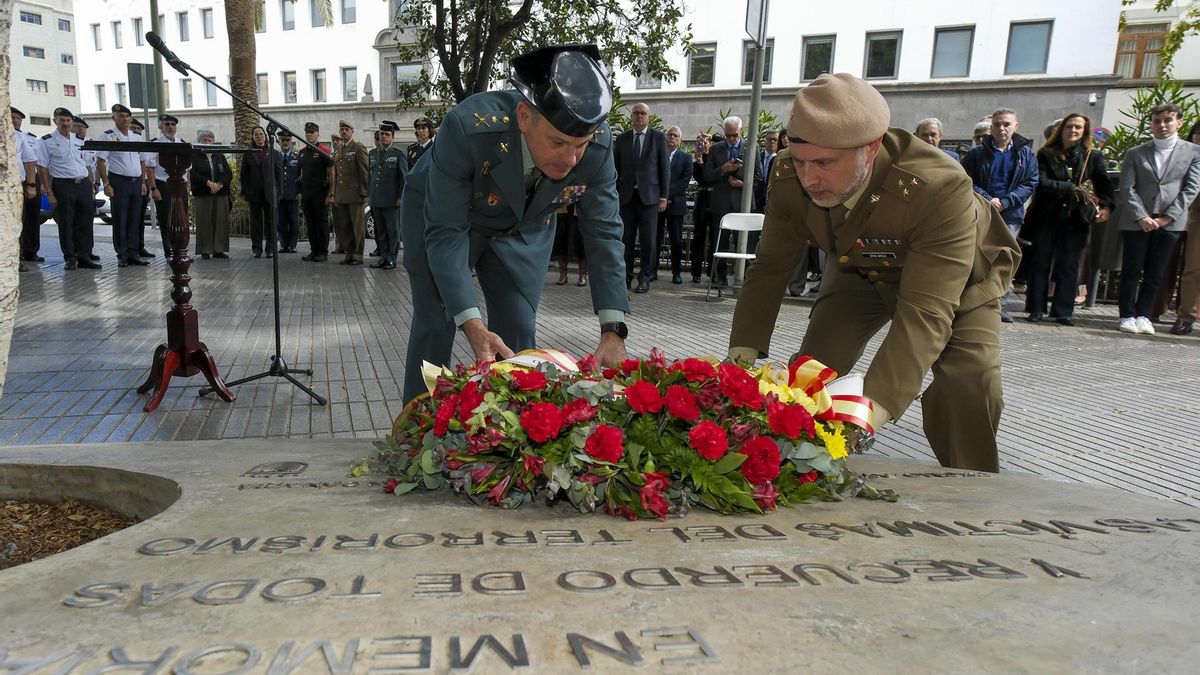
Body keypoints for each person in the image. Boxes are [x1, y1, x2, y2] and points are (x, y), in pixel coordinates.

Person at [727, 73, 1020, 473]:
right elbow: (769, 269)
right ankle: (789, 468)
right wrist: (741, 359)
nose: (809, 177)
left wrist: (870, 413)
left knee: (969, 383)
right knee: (813, 373)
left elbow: (925, 314)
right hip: (860, 271)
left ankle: (968, 484)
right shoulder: (788, 175)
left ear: (872, 148)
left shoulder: (938, 187)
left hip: (959, 283)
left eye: (825, 163)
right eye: (800, 160)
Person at [400, 43, 630, 403]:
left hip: (522, 226)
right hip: (442, 217)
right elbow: (446, 232)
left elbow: (605, 231)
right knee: (437, 320)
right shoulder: (469, 127)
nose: (570, 159)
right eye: (557, 142)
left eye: (580, 145)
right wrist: (473, 325)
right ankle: (414, 432)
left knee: (519, 328)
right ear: (525, 117)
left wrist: (613, 330)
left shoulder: (598, 147)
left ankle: (514, 435)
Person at [1114, 102, 1200, 335]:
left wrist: (1167, 218)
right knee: (1131, 270)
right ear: (1151, 124)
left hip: (1171, 222)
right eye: (1157, 121)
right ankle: (1126, 315)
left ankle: (1144, 315)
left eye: (1168, 120)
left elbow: (1191, 189)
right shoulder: (1136, 152)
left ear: (1179, 123)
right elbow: (1127, 187)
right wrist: (1141, 215)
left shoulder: (1193, 152)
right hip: (1136, 221)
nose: (1162, 125)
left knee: (1156, 272)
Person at [1022, 114, 1114, 325]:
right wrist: (1070, 188)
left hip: (1076, 219)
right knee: (1040, 263)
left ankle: (1063, 311)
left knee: (1069, 265)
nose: (1073, 131)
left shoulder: (1092, 156)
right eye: (1069, 126)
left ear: (1084, 131)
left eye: (1078, 127)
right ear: (1061, 129)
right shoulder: (1045, 154)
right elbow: (1041, 182)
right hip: (1047, 217)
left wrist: (1107, 207)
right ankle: (1036, 308)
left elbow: (1105, 185)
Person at [961, 108, 1038, 322]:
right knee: (977, 258)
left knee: (1004, 261)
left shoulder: (1026, 154)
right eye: (997, 124)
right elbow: (966, 180)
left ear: (1016, 126)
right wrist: (987, 198)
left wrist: (1005, 202)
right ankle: (973, 303)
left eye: (1006, 124)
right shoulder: (976, 154)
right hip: (981, 212)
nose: (1001, 128)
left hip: (1010, 215)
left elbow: (1030, 183)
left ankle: (998, 305)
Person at [614, 102, 670, 293]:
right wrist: (614, 195)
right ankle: (626, 278)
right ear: (631, 116)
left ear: (649, 117)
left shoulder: (658, 138)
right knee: (625, 240)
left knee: (648, 240)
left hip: (650, 198)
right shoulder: (622, 139)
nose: (639, 116)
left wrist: (664, 196)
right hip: (627, 199)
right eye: (636, 113)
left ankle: (645, 278)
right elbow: (615, 169)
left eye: (643, 113)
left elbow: (665, 169)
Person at [37, 107, 101, 270]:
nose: (65, 123)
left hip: (83, 184)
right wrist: (49, 191)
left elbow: (87, 165)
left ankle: (84, 256)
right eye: (62, 120)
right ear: (55, 122)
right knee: (66, 222)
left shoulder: (79, 141)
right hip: (63, 185)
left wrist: (92, 187)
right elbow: (43, 167)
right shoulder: (46, 141)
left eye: (68, 120)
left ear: (72, 122)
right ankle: (70, 257)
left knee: (85, 222)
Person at [702, 115, 763, 285]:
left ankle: (744, 277)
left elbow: (759, 177)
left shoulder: (751, 148)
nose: (731, 139)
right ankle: (719, 277)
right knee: (719, 242)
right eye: (728, 135)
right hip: (720, 203)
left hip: (742, 203)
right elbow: (707, 176)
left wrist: (743, 184)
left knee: (744, 243)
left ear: (741, 131)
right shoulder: (716, 149)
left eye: (735, 135)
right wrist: (723, 169)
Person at [96, 103, 150, 268]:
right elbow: (101, 161)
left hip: (135, 182)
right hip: (119, 181)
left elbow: (142, 160)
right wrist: (106, 184)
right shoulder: (108, 136)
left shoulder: (136, 137)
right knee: (120, 218)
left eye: (127, 116)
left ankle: (134, 253)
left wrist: (142, 181)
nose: (125, 119)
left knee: (135, 219)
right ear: (114, 118)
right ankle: (122, 254)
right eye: (121, 116)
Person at [1169, 120, 1200, 335]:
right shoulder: (1187, 155)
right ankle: (1185, 317)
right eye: (1199, 132)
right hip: (1196, 214)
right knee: (1193, 269)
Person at [367, 120, 407, 270]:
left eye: (387, 134)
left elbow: (404, 178)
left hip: (391, 200)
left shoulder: (398, 155)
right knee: (381, 232)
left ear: (392, 137)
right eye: (381, 134)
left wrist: (400, 197)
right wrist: (369, 194)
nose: (383, 137)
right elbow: (370, 177)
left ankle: (391, 258)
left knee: (393, 231)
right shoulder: (373, 154)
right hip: (376, 199)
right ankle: (383, 257)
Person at [144, 113, 185, 256]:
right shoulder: (155, 144)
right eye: (167, 124)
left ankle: (181, 250)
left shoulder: (182, 143)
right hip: (163, 185)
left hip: (180, 186)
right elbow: (149, 168)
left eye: (173, 125)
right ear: (161, 127)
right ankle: (170, 252)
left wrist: (188, 186)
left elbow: (188, 169)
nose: (170, 127)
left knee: (181, 219)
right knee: (166, 220)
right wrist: (154, 188)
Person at [239, 126, 283, 258]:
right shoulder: (248, 153)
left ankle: (270, 248)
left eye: (261, 134)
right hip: (254, 193)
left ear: (265, 136)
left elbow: (278, 173)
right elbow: (244, 174)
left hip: (270, 192)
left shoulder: (274, 153)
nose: (259, 137)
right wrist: (245, 191)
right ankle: (257, 249)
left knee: (271, 221)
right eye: (256, 135)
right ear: (253, 137)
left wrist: (280, 191)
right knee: (255, 222)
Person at [332, 120, 370, 265]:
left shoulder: (358, 148)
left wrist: (364, 193)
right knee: (344, 226)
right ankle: (348, 253)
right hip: (342, 194)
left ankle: (357, 255)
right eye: (341, 129)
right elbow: (336, 174)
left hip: (355, 194)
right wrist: (334, 194)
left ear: (352, 131)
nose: (344, 132)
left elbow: (364, 171)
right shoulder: (339, 150)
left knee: (357, 227)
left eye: (347, 129)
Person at [190, 128, 232, 259]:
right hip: (203, 193)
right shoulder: (194, 156)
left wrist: (219, 185)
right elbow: (194, 174)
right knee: (204, 221)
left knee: (220, 221)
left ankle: (219, 249)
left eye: (209, 140)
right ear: (199, 142)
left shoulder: (219, 155)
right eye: (204, 140)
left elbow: (228, 173)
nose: (207, 143)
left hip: (220, 193)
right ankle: (205, 249)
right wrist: (208, 183)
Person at [660, 125, 693, 284]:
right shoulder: (658, 155)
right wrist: (661, 198)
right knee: (655, 238)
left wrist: (666, 196)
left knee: (676, 240)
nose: (672, 138)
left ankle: (677, 273)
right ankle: (652, 271)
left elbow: (684, 182)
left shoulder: (686, 158)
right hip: (658, 204)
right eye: (670, 135)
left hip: (676, 204)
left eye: (675, 136)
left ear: (680, 140)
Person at [298, 122, 335, 262]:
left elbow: (331, 173)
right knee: (311, 223)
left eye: (312, 132)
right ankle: (314, 250)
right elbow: (301, 174)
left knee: (321, 223)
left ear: (318, 134)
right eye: (307, 132)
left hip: (320, 193)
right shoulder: (302, 153)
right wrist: (300, 193)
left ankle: (323, 252)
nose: (309, 135)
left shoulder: (324, 151)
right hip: (307, 193)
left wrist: (330, 193)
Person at [13, 106, 45, 264]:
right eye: (11, 117)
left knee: (29, 218)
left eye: (17, 118)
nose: (14, 120)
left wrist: (33, 184)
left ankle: (28, 252)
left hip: (24, 181)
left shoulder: (24, 137)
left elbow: (32, 160)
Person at [690, 130, 717, 283]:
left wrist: (711, 136)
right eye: (700, 143)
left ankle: (713, 273)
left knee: (714, 236)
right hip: (702, 198)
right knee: (699, 236)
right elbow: (702, 179)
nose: (703, 145)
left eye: (705, 142)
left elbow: (724, 141)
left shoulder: (715, 158)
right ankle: (696, 272)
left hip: (714, 198)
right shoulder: (696, 162)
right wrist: (699, 163)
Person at [276, 131, 301, 253]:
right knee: (281, 222)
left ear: (291, 142)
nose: (285, 142)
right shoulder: (275, 157)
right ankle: (283, 245)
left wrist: (299, 192)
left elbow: (300, 176)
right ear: (279, 142)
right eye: (283, 140)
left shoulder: (296, 157)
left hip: (293, 194)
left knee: (293, 221)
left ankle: (293, 245)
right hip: (279, 195)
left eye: (287, 140)